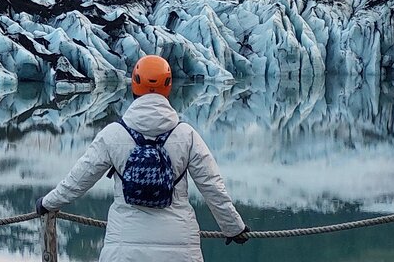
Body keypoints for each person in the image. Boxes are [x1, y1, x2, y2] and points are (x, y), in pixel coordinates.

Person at [35, 54, 250, 261]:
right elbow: (212, 187)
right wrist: (233, 228)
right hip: (179, 247)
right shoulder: (186, 135)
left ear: (135, 85)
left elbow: (79, 180)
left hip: (123, 248)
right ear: (168, 86)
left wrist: (48, 203)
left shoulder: (113, 134)